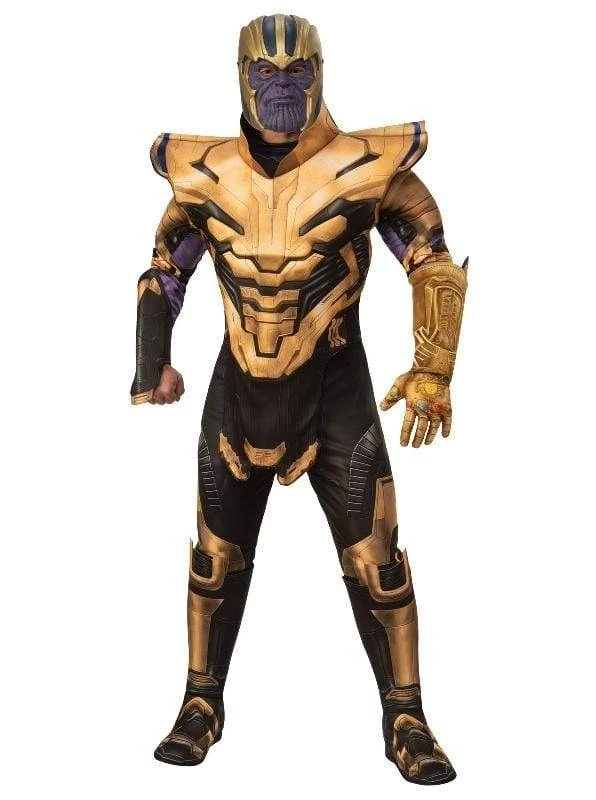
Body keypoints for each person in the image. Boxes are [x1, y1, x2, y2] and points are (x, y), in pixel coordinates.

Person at [131, 13, 467, 785]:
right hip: (237, 393)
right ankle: (200, 704)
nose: (281, 86)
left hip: (335, 390)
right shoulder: (203, 173)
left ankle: (407, 718)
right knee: (213, 562)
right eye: (266, 73)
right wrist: (152, 363)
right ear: (242, 77)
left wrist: (434, 367)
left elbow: (431, 261)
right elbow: (164, 269)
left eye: (296, 72)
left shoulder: (371, 168)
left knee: (379, 565)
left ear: (319, 73)